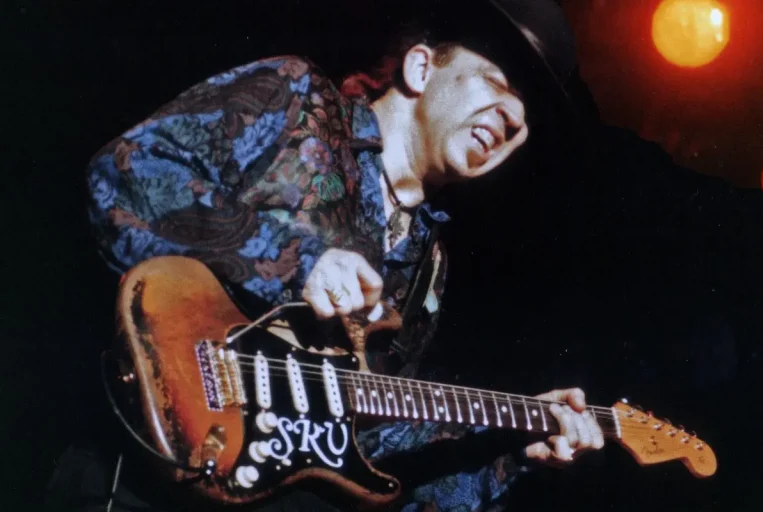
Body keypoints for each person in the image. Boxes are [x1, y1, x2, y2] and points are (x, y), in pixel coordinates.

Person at [45, 1, 606, 510]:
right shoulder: (296, 99)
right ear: (419, 69)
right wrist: (299, 259)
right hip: (138, 472)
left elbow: (365, 440)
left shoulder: (428, 266)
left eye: (524, 117)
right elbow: (124, 174)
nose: (513, 120)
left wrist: (513, 449)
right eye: (496, 81)